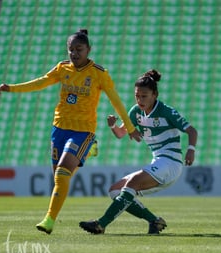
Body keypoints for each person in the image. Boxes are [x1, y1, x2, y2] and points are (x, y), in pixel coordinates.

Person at [0, 29, 142, 234]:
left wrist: (129, 127)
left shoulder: (98, 73)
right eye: (70, 50)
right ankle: (88, 150)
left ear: (88, 50)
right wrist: (12, 88)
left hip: (83, 130)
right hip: (59, 128)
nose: (74, 54)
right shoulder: (62, 68)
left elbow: (115, 101)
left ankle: (49, 220)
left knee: (62, 175)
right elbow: (41, 82)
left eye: (79, 50)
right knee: (58, 175)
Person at [79, 69, 198, 234]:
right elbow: (121, 133)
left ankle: (101, 224)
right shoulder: (135, 112)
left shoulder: (166, 111)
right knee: (115, 190)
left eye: (144, 96)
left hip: (171, 163)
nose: (140, 100)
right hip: (158, 162)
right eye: (137, 96)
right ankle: (154, 221)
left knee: (132, 182)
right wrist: (113, 125)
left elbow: (192, 131)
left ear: (154, 95)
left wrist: (190, 150)